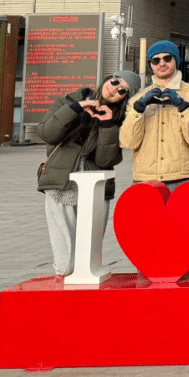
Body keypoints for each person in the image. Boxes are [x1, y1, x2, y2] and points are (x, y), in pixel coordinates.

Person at [36, 71, 140, 276]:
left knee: (88, 254)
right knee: (65, 260)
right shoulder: (71, 100)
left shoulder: (120, 120)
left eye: (122, 90)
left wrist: (108, 125)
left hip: (95, 188)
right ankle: (64, 286)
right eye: (115, 81)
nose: (114, 89)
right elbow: (47, 134)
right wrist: (76, 109)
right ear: (108, 78)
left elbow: (104, 160)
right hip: (61, 182)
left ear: (124, 97)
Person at [120, 40, 189, 187]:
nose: (162, 63)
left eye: (167, 58)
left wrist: (184, 108)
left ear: (176, 60)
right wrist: (138, 111)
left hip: (182, 179)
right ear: (150, 64)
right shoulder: (137, 99)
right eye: (156, 60)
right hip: (145, 180)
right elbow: (128, 142)